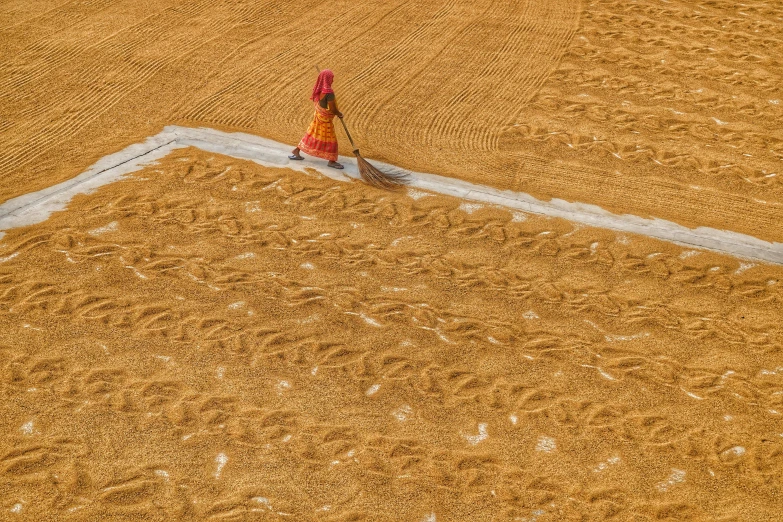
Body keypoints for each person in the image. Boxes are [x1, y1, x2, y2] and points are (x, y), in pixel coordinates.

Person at [290, 69, 344, 169]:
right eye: (331, 78)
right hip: (325, 121)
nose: (332, 80)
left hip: (318, 117)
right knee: (332, 141)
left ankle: (296, 151)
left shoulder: (319, 90)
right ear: (328, 79)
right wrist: (339, 114)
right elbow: (333, 109)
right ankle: (332, 161)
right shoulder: (329, 93)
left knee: (311, 134)